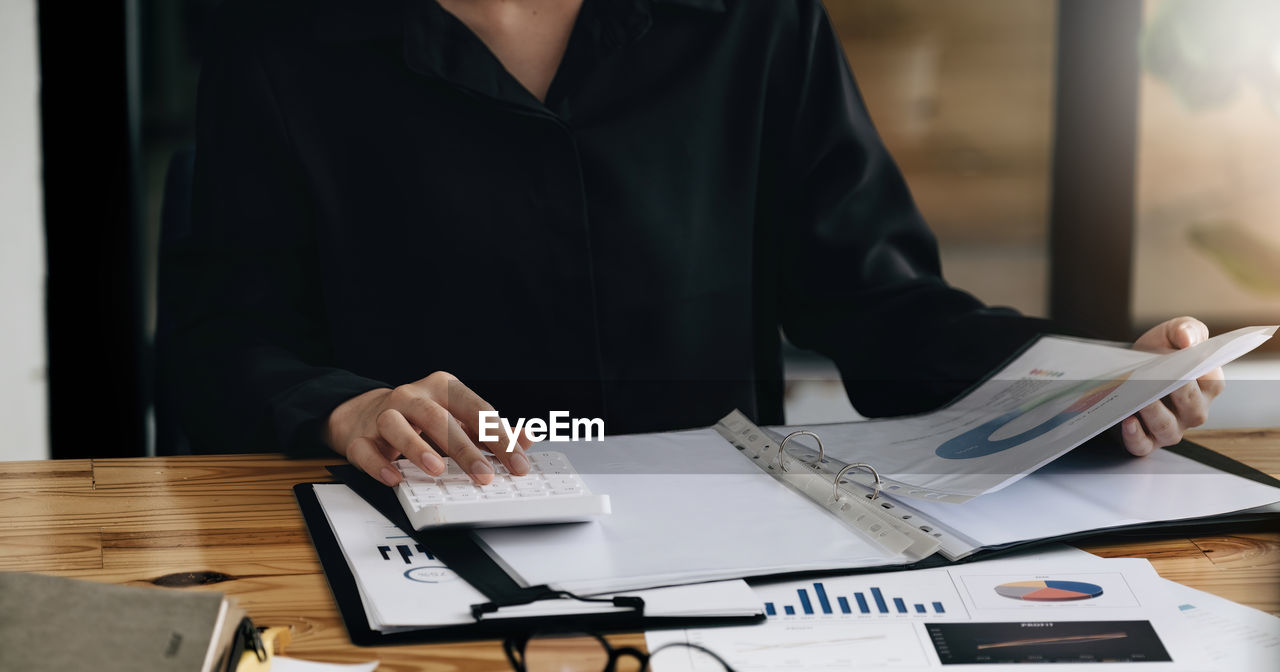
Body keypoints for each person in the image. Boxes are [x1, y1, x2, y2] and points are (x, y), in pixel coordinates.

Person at [170, 0, 1222, 487]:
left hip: (721, 556)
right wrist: (341, 406)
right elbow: (219, 349)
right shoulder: (278, 47)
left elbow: (875, 302)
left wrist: (1082, 385)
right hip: (409, 539)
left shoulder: (751, 22)